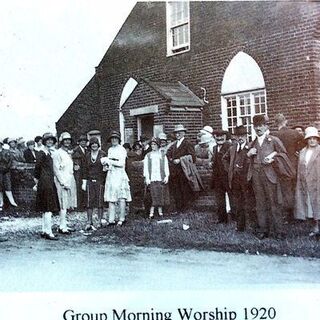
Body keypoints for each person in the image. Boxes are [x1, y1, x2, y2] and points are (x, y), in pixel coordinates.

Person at [247, 115, 288, 239]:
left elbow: (283, 154)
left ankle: (279, 231)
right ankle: (263, 230)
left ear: (266, 126)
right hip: (256, 177)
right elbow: (246, 160)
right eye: (256, 126)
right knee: (260, 204)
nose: (258, 128)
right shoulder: (252, 143)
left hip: (270, 176)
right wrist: (249, 154)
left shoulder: (273, 140)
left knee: (274, 203)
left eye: (261, 125)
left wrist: (272, 157)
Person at [273, 113, 304, 222]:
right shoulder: (294, 133)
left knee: (285, 191)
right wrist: (298, 150)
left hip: (280, 166)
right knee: (294, 188)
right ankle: (297, 213)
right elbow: (305, 141)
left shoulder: (275, 135)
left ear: (276, 123)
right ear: (286, 121)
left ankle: (289, 215)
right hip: (293, 164)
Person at [222, 125, 252, 231]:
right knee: (238, 203)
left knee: (249, 203)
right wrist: (230, 169)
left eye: (242, 135)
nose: (240, 138)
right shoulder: (232, 148)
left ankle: (252, 225)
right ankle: (240, 226)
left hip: (247, 180)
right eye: (238, 136)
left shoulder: (250, 147)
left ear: (246, 136)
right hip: (235, 180)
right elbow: (224, 159)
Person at [33, 132, 60, 240]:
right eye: (47, 140)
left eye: (51, 140)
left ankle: (44, 230)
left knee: (45, 208)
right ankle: (48, 232)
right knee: (48, 207)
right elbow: (37, 168)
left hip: (47, 181)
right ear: (44, 141)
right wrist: (38, 181)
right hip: (46, 182)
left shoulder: (48, 152)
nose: (50, 141)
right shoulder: (42, 152)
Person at [101, 131, 131, 226]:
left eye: (116, 138)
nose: (114, 140)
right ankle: (111, 219)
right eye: (112, 138)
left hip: (119, 175)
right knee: (111, 197)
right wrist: (106, 166)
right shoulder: (110, 150)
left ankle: (122, 218)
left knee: (121, 197)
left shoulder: (122, 150)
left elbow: (121, 164)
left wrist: (109, 161)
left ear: (118, 139)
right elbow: (109, 164)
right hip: (111, 174)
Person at [295, 126, 320, 237]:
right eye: (310, 138)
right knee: (310, 205)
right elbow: (300, 168)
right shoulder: (303, 152)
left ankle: (317, 227)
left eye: (314, 138)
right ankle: (315, 227)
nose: (312, 140)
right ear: (306, 140)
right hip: (306, 182)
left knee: (318, 204)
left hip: (317, 182)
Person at [167, 124, 196, 213]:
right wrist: (171, 158)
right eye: (176, 133)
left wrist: (180, 160)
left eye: (179, 133)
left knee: (184, 189)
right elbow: (169, 153)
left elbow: (192, 157)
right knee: (176, 189)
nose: (177, 134)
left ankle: (185, 208)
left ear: (183, 133)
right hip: (175, 171)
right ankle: (178, 208)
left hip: (184, 170)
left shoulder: (188, 143)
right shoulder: (174, 144)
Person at [52, 132, 77, 234]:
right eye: (65, 140)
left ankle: (64, 224)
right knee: (63, 204)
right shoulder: (57, 153)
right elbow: (56, 170)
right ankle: (62, 227)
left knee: (67, 204)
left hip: (70, 179)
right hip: (62, 181)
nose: (67, 142)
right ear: (61, 142)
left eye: (69, 140)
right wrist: (63, 182)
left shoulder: (67, 153)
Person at [82, 137, 107, 230]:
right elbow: (84, 169)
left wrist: (105, 169)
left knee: (100, 201)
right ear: (90, 145)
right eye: (92, 144)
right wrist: (84, 182)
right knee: (89, 201)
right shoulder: (87, 155)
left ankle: (100, 220)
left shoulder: (103, 154)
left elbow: (106, 168)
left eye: (96, 143)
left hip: (100, 180)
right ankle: (89, 221)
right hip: (90, 181)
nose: (94, 145)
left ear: (98, 144)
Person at [143, 137, 170, 218]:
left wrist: (166, 176)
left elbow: (166, 166)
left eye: (155, 144)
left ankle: (160, 211)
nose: (153, 146)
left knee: (160, 194)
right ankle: (151, 213)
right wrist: (147, 178)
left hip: (160, 177)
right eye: (152, 144)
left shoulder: (162, 156)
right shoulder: (148, 156)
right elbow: (146, 168)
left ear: (158, 145)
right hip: (152, 178)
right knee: (152, 195)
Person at [211, 129, 232, 223]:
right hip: (217, 177)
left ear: (225, 137)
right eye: (217, 136)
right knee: (219, 198)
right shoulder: (215, 148)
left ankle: (234, 217)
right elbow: (215, 161)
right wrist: (212, 163)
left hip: (227, 176)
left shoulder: (229, 146)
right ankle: (222, 218)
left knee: (232, 196)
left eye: (221, 136)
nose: (219, 138)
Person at [0, 140, 18, 211]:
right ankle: (1, 203)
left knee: (8, 186)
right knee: (0, 187)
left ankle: (12, 202)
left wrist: (6, 168)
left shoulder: (6, 152)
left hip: (6, 171)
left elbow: (10, 161)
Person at [72, 135, 88, 211]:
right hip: (79, 172)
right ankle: (79, 206)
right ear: (79, 142)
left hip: (85, 171)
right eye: (82, 141)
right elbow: (76, 162)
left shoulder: (86, 150)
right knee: (79, 187)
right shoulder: (76, 150)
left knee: (84, 188)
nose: (83, 142)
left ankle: (84, 204)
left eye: (85, 141)